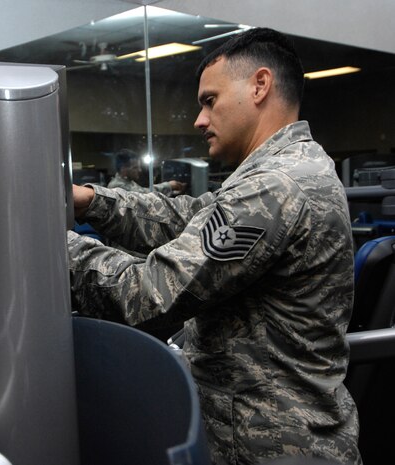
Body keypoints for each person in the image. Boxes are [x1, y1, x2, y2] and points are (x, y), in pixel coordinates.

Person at [67, 28, 361, 465]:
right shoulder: (286, 169)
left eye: (210, 101)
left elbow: (148, 294)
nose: (199, 120)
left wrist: (54, 246)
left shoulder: (276, 186)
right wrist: (92, 201)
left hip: (270, 446)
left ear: (260, 85)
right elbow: (185, 219)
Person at [107, 148, 185, 195]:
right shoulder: (117, 186)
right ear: (123, 168)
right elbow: (144, 194)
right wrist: (169, 185)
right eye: (135, 168)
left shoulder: (128, 181)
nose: (140, 170)